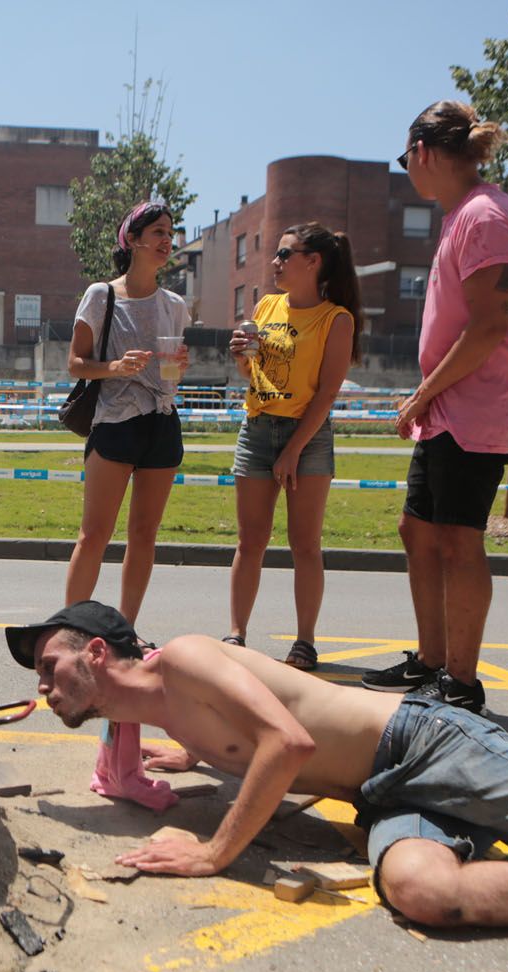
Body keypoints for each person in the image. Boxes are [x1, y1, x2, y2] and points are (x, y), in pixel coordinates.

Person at [5, 601, 508, 940]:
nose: (42, 684)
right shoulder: (157, 708)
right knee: (423, 891)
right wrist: (188, 758)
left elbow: (286, 742)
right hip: (382, 792)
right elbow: (239, 724)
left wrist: (212, 852)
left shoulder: (187, 657)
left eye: (48, 664)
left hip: (427, 741)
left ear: (97, 652)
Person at [361, 101, 508, 715]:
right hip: (451, 406)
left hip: (477, 407)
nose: (407, 168)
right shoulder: (465, 215)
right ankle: (432, 661)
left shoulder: (487, 217)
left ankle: (461, 682)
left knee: (460, 540)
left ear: (424, 153)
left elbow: (490, 327)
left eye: (405, 157)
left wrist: (422, 394)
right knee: (419, 529)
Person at [62, 200, 190, 813]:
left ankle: (124, 634)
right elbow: (75, 364)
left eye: (172, 234)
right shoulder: (101, 295)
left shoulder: (175, 306)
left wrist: (177, 369)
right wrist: (115, 366)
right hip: (113, 421)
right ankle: (70, 629)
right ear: (132, 240)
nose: (168, 242)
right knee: (95, 535)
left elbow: (174, 374)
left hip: (161, 423)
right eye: (158, 234)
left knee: (145, 537)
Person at [225, 224, 361, 671]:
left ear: (313, 261)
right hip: (258, 429)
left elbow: (326, 394)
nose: (276, 262)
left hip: (308, 435)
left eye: (285, 254)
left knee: (305, 545)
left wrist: (293, 450)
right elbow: (254, 375)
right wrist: (242, 357)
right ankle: (237, 635)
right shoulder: (266, 305)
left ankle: (305, 641)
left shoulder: (336, 319)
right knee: (251, 541)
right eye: (277, 255)